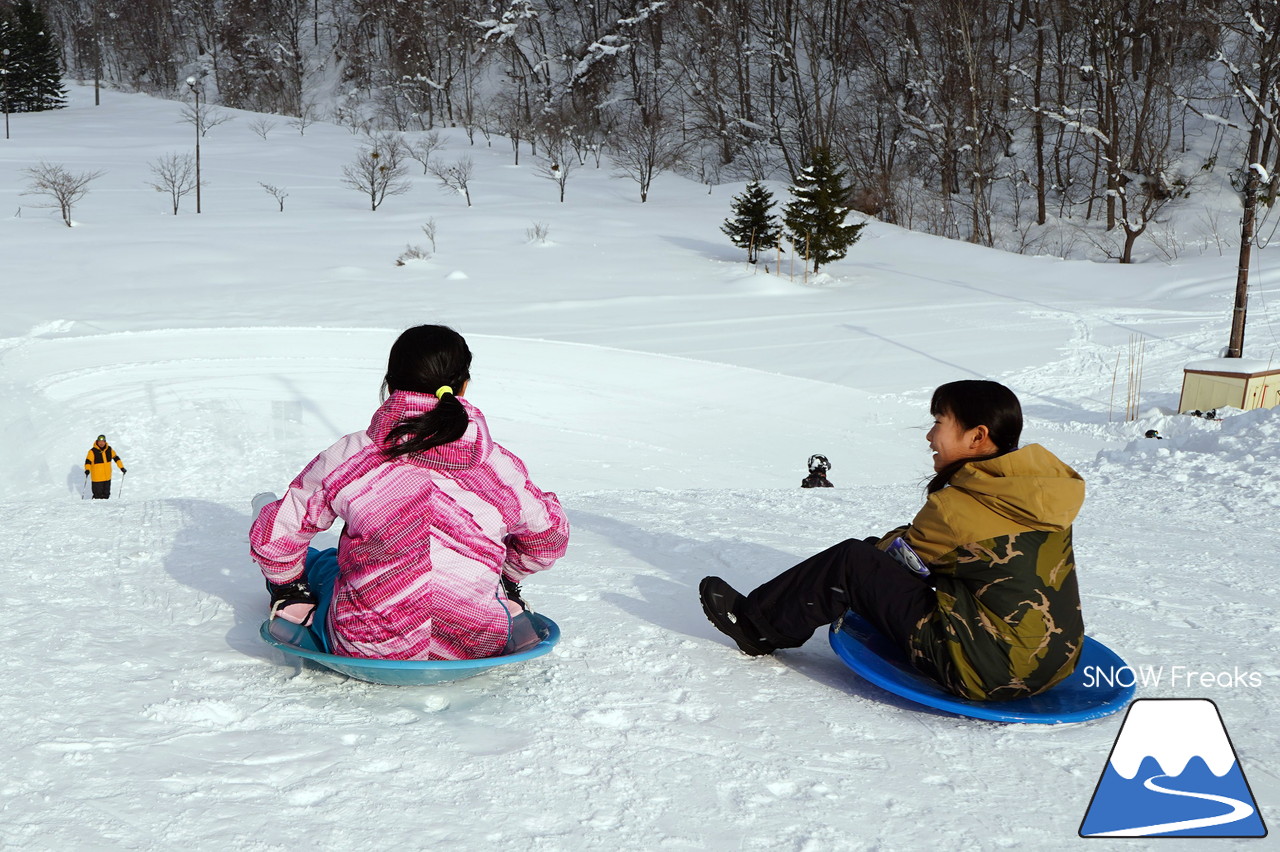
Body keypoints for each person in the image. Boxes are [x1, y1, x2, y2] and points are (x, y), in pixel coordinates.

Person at [700, 380, 1085, 702]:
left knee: (852, 560)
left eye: (939, 423)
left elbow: (900, 560)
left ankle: (756, 628)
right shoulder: (1039, 497)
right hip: (1055, 662)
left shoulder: (956, 507)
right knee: (874, 557)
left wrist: (870, 555)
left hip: (985, 671)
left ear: (977, 436)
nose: (930, 436)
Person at [250, 325, 569, 661]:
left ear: (389, 383)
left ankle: (293, 597)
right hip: (473, 644)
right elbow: (548, 539)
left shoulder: (353, 455)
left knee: (327, 564)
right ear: (464, 385)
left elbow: (277, 536)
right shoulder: (496, 466)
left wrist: (285, 581)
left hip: (368, 646)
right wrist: (508, 575)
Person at [84, 435, 126, 499]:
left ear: (105, 442)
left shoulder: (109, 449)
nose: (101, 443)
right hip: (97, 479)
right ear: (97, 442)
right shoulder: (92, 451)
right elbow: (88, 462)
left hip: (107, 478)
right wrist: (87, 469)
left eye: (103, 441)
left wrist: (122, 467)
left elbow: (116, 459)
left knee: (106, 495)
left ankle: (105, 509)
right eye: (100, 441)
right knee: (97, 496)